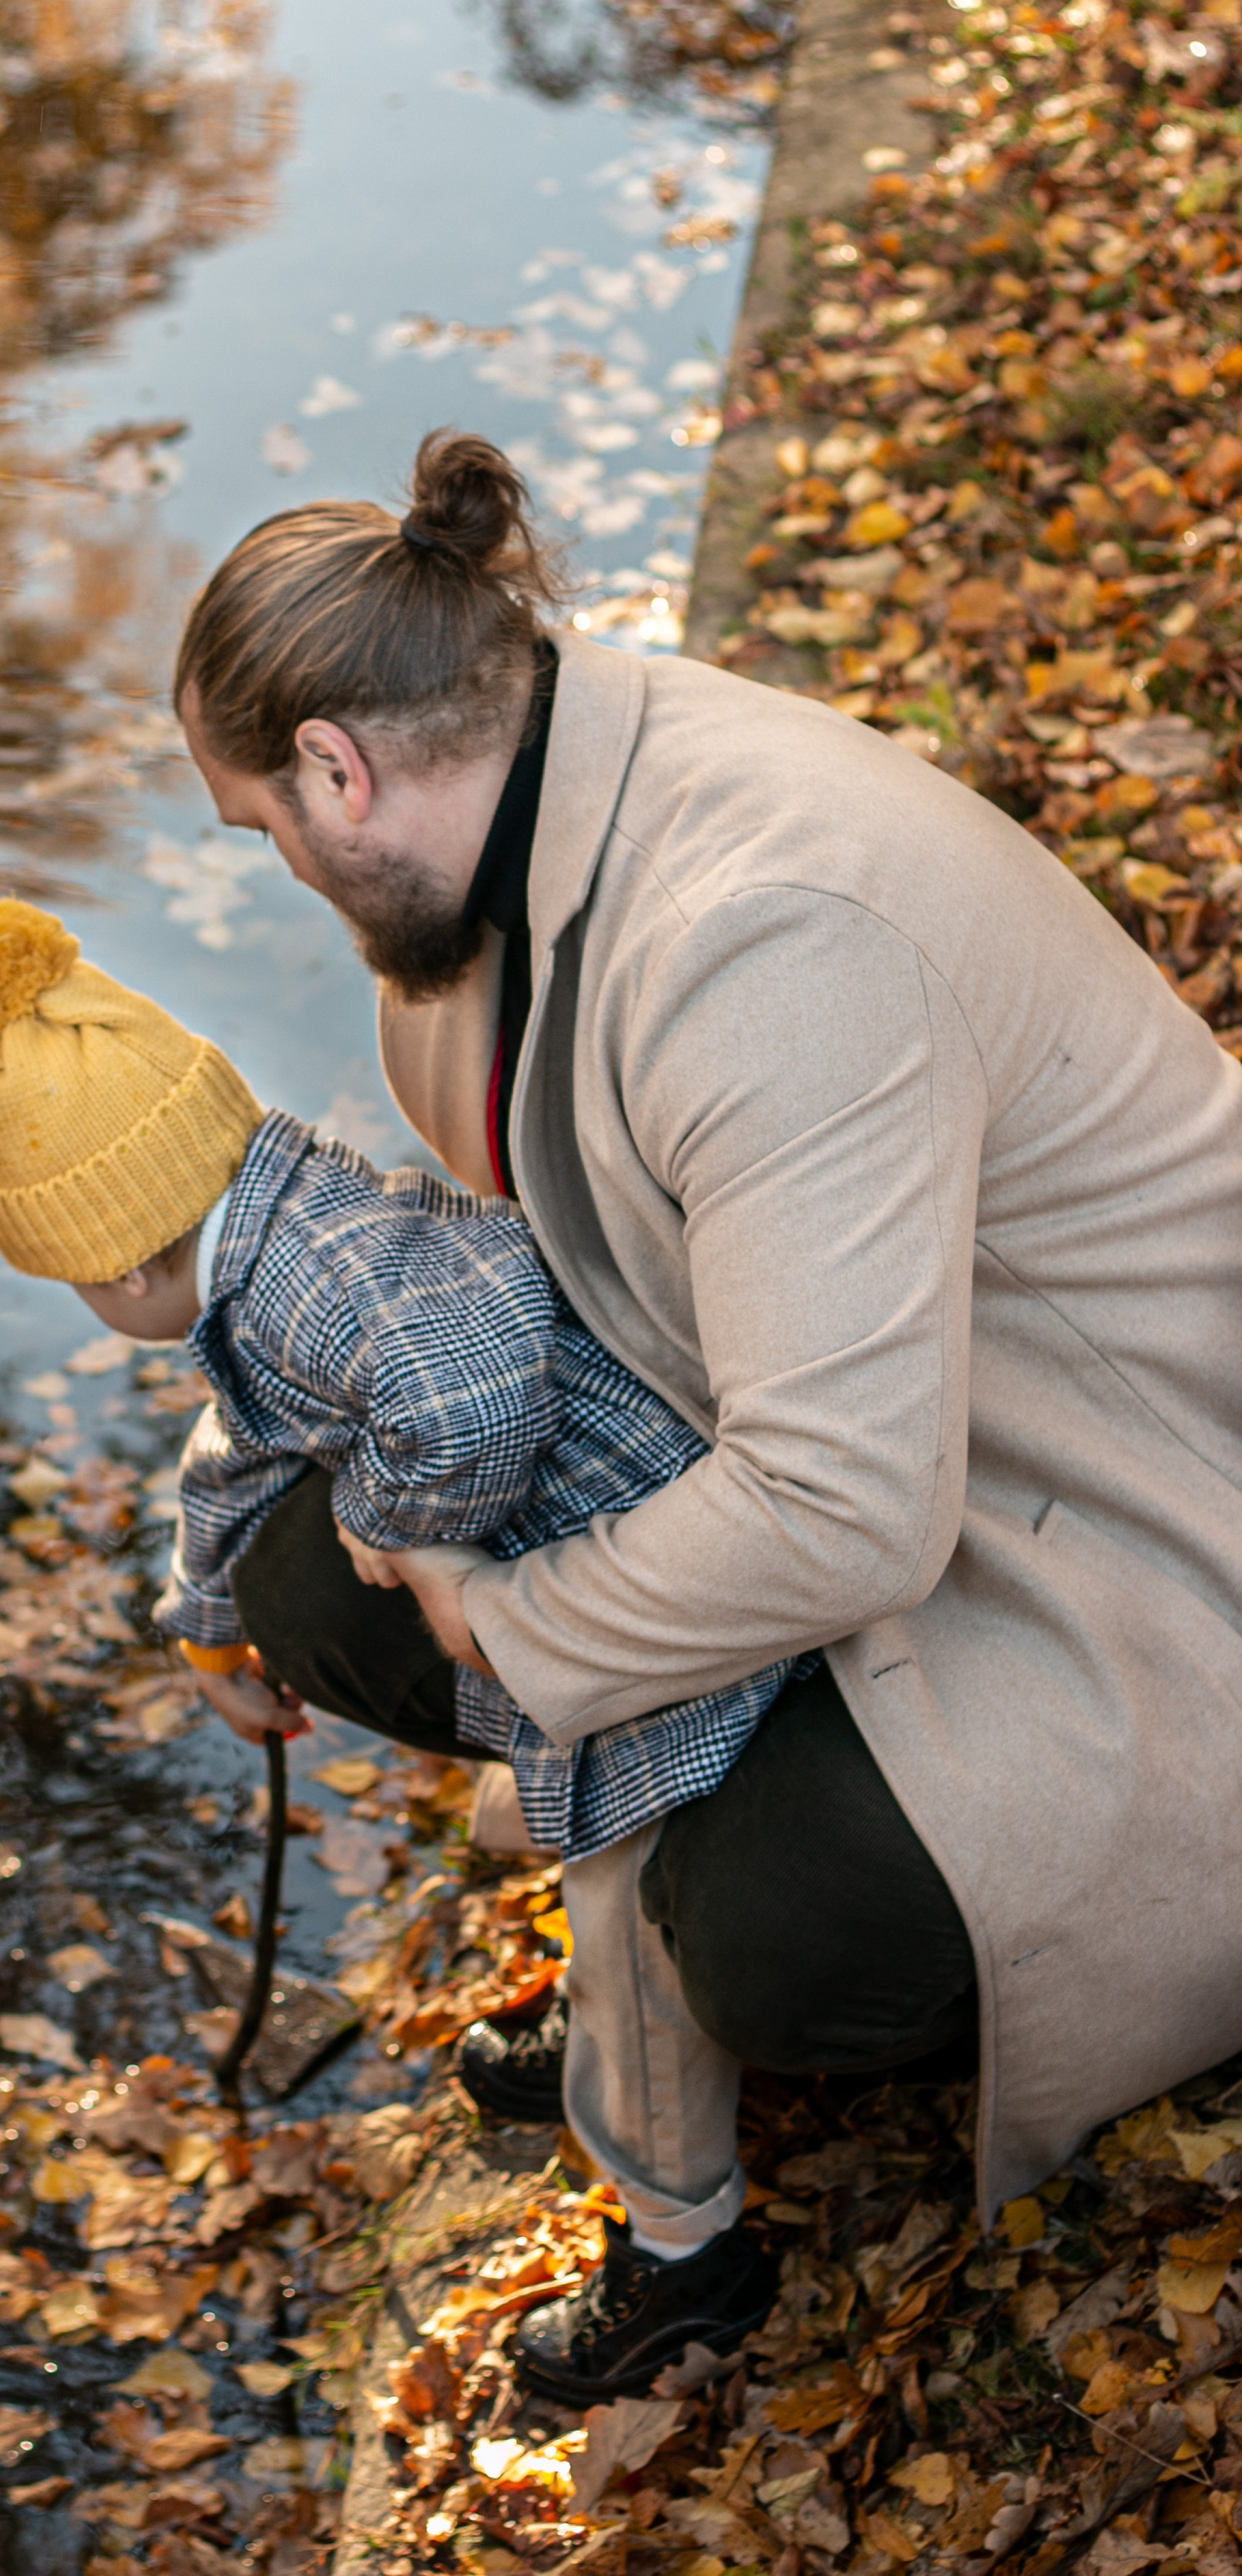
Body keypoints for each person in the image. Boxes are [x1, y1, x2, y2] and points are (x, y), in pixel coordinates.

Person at [166, 424, 1242, 2406]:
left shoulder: (757, 935)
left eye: (263, 833)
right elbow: (449, 1270)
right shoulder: (508, 839)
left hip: (1128, 1534)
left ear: (336, 769)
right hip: (846, 1431)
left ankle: (804, 1938)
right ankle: (662, 1911)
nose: (287, 879)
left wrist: (529, 1633)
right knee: (316, 1575)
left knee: (769, 1937)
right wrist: (221, 1542)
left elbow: (843, 1513)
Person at [0, 894, 803, 1910]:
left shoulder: (310, 1288)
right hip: (589, 1497)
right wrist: (207, 1628)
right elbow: (243, 1444)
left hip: (643, 1552)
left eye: (72, 1283)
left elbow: (471, 1400)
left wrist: (383, 1522)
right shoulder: (272, 1230)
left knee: (635, 1869)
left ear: (120, 1270)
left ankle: (658, 1889)